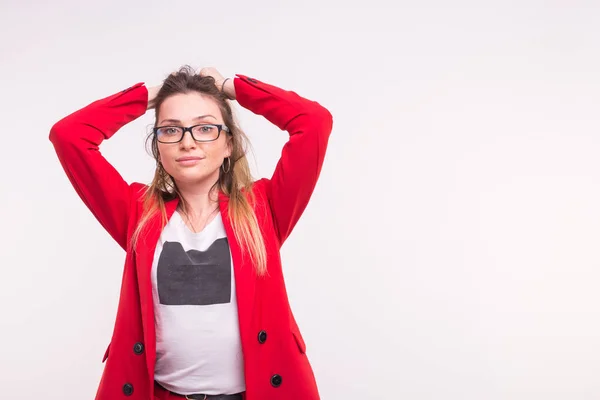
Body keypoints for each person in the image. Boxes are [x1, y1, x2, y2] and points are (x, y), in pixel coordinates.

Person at [49, 66, 333, 400]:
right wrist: (149, 96)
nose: (188, 142)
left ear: (229, 144)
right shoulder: (137, 214)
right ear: (158, 148)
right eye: (171, 130)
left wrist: (232, 88)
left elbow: (313, 122)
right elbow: (69, 136)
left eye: (205, 128)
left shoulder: (263, 210)